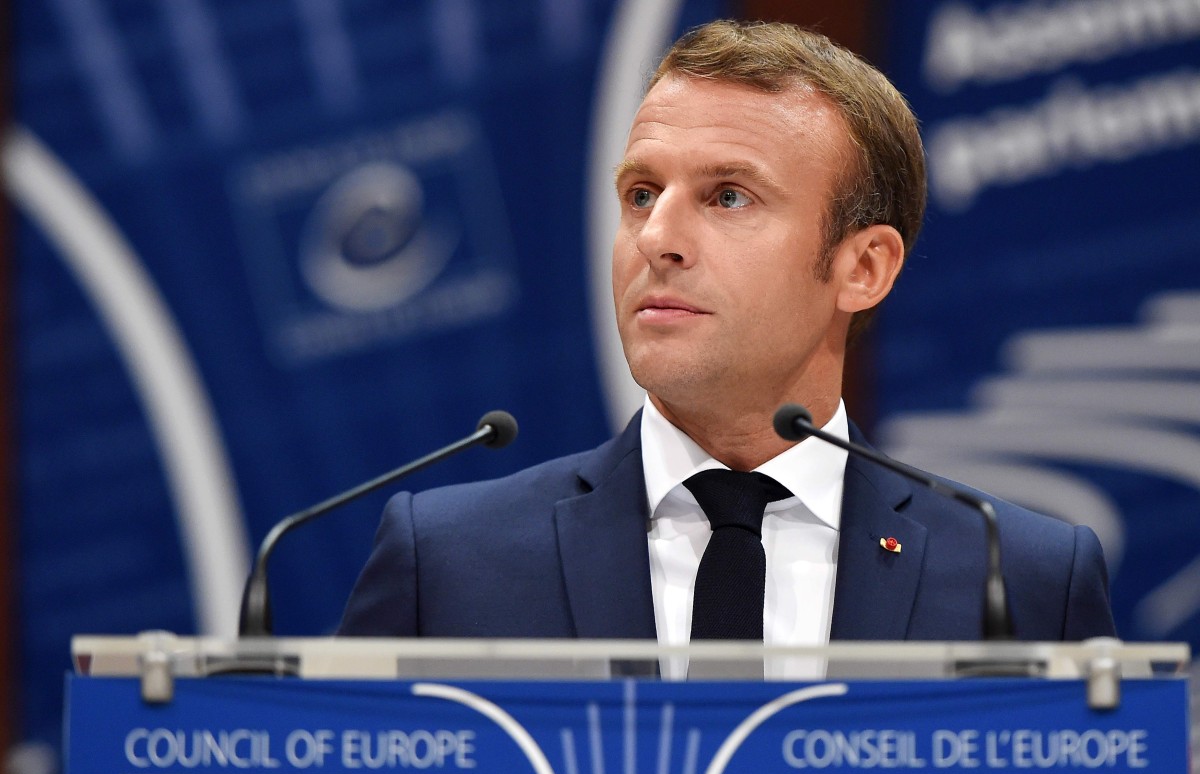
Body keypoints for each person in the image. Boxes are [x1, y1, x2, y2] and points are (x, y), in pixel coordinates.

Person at [338, 20, 1116, 669]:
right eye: (641, 194)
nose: (658, 238)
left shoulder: (1016, 578)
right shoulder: (445, 561)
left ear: (863, 267)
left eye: (728, 196)